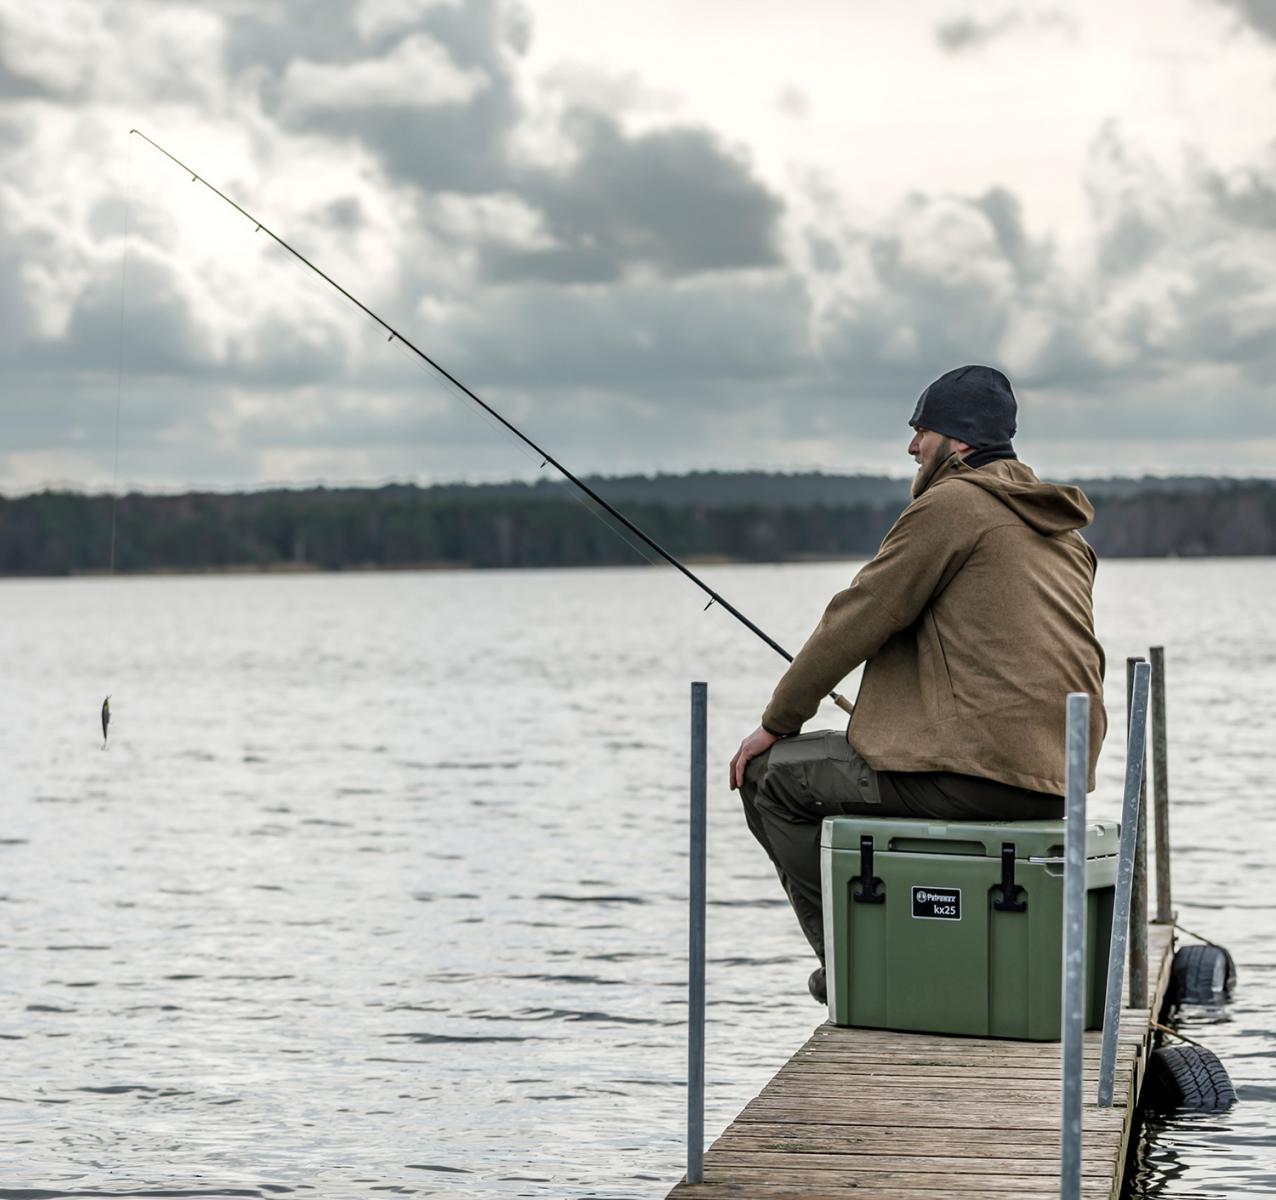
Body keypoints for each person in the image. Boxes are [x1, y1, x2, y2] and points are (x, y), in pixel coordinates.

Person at [729, 364, 1107, 1003]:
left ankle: (853, 963)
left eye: (921, 431)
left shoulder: (951, 506)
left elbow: (857, 617)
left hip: (972, 778)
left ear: (957, 441)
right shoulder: (1059, 530)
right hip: (1055, 785)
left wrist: (775, 725)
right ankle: (916, 943)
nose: (911, 447)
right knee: (833, 766)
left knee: (770, 779)